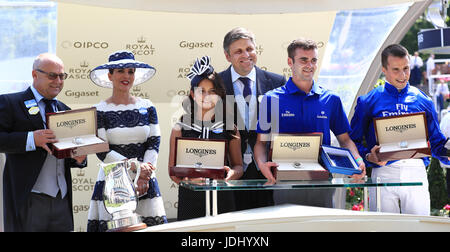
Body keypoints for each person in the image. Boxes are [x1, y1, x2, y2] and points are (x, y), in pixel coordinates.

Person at [254, 38, 365, 207]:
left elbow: (345, 140)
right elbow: (261, 143)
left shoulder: (331, 99)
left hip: (322, 182)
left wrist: (357, 161)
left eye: (313, 60)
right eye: (303, 60)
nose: (310, 65)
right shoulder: (271, 99)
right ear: (290, 62)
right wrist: (262, 165)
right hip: (284, 181)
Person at [350, 44, 450, 215]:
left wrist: (447, 151)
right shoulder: (368, 101)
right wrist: (368, 157)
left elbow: (437, 143)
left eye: (406, 68)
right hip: (383, 172)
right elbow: (352, 141)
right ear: (384, 69)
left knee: (419, 228)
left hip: (416, 171)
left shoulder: (423, 100)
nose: (403, 75)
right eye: (396, 70)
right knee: (384, 228)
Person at [0, 53, 87, 232]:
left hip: (61, 198)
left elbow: (64, 155)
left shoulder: (65, 110)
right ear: (34, 74)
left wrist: (79, 158)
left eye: (62, 76)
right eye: (52, 75)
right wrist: (32, 138)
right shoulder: (10, 102)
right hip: (29, 197)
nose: (58, 81)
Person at [87, 50, 167, 232]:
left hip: (145, 180)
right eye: (120, 71)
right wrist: (135, 167)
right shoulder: (99, 110)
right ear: (110, 75)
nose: (126, 76)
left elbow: (154, 142)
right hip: (113, 183)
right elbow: (102, 150)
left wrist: (144, 172)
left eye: (130, 71)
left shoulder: (148, 106)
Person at [169, 56, 243, 220]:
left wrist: (231, 174)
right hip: (191, 198)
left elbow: (238, 166)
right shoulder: (180, 128)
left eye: (212, 92)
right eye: (201, 91)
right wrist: (188, 180)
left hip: (222, 197)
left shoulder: (229, 128)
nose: (207, 96)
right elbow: (172, 171)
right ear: (192, 93)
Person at [219, 27, 285, 211]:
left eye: (249, 49)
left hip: (265, 168)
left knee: (264, 221)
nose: (246, 54)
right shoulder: (215, 83)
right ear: (227, 56)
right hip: (229, 170)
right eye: (238, 51)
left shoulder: (277, 82)